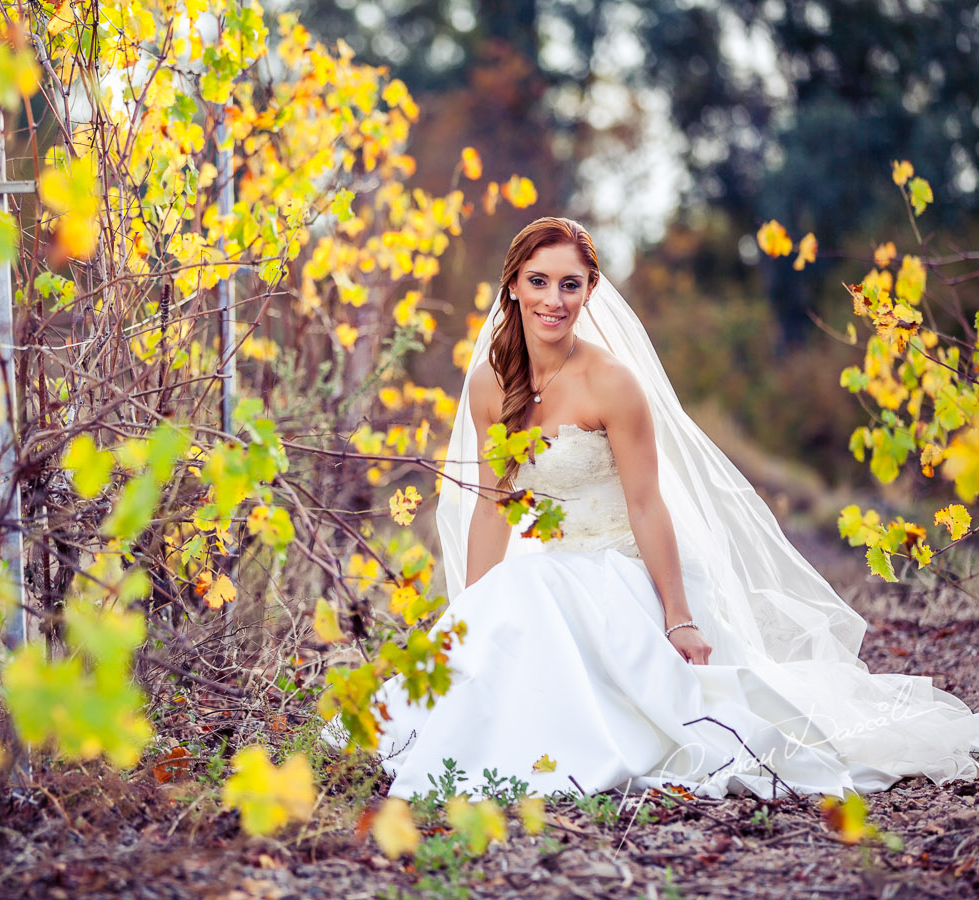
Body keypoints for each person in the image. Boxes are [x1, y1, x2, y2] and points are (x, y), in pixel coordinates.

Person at [327, 216, 979, 802]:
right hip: (551, 566)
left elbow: (646, 504)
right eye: (540, 281)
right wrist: (469, 611)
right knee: (512, 605)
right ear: (514, 288)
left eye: (570, 285)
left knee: (547, 599)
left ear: (589, 291)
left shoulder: (612, 382)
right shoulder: (488, 385)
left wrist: (678, 618)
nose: (554, 299)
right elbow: (494, 508)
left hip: (624, 568)